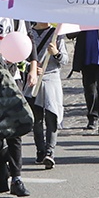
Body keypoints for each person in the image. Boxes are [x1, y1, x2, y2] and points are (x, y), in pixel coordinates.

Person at [0, 16, 37, 198]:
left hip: (13, 79)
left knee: (16, 131)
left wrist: (33, 68)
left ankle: (17, 178)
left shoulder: (17, 16)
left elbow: (28, 41)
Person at [24, 22, 67, 169]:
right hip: (34, 81)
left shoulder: (56, 34)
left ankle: (50, 152)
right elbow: (22, 55)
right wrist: (32, 68)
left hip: (51, 79)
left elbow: (65, 60)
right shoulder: (28, 33)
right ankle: (40, 151)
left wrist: (56, 53)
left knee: (51, 116)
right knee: (36, 120)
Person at [71, 29, 99, 134]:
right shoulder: (83, 16)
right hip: (86, 55)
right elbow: (70, 34)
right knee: (90, 91)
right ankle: (93, 117)